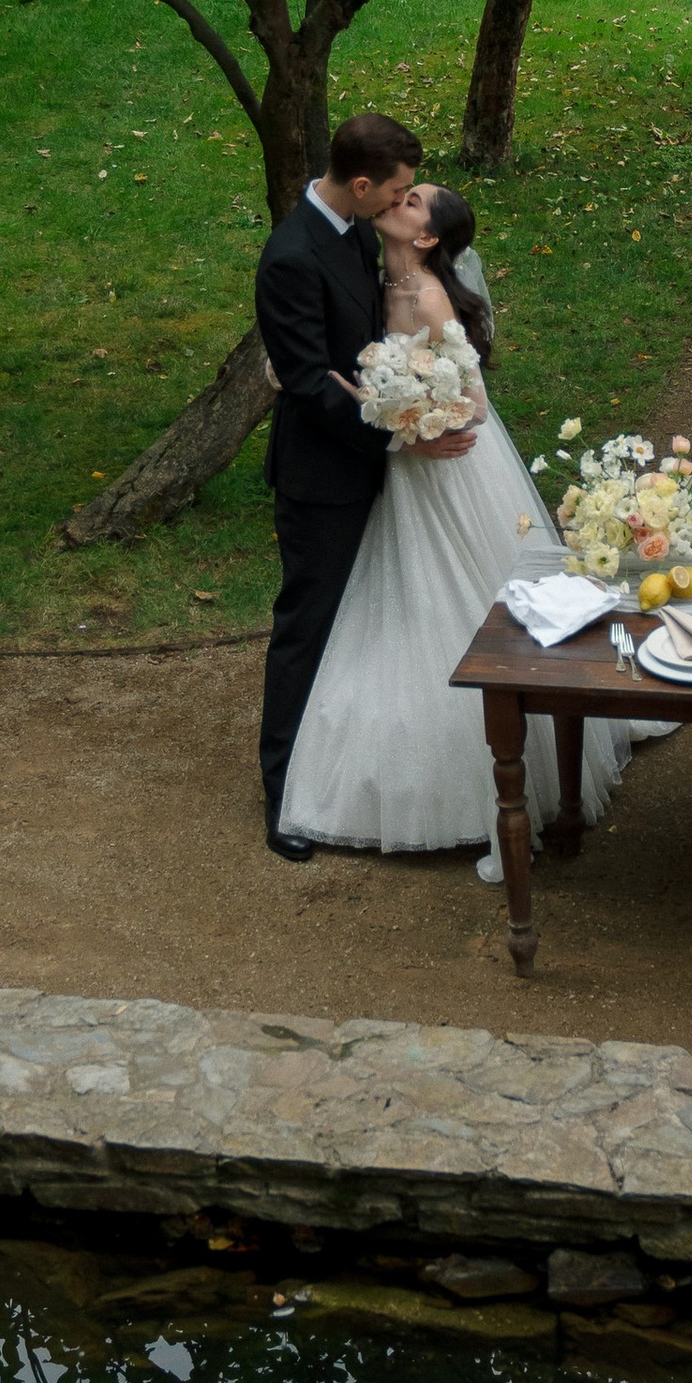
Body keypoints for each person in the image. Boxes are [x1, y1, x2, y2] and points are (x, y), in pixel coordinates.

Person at [277, 179, 640, 862]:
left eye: (413, 202)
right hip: (399, 472)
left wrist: (418, 422)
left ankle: (500, 780)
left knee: (470, 601)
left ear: (428, 237)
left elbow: (472, 400)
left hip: (445, 470)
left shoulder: (430, 297)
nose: (397, 200)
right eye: (402, 192)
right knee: (399, 599)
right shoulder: (366, 270)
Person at [254, 113, 427, 859]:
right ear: (361, 185)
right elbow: (306, 383)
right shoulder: (290, 257)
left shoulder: (358, 231)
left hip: (373, 461)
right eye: (396, 191)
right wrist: (399, 428)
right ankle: (284, 791)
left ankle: (343, 773)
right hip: (322, 476)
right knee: (309, 625)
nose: (400, 203)